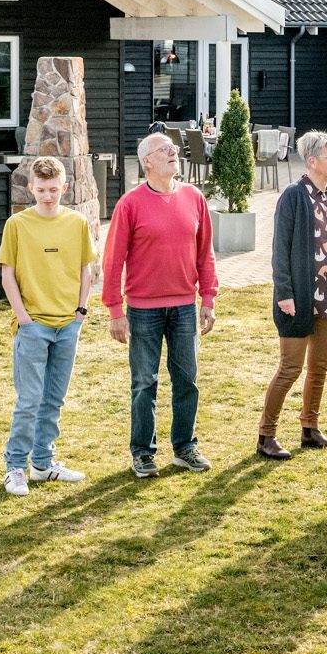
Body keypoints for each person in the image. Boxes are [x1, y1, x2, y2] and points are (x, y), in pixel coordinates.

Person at [103, 131, 218, 478]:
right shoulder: (130, 204)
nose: (173, 152)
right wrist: (115, 310)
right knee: (144, 382)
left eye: (173, 148)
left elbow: (205, 253)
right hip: (143, 310)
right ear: (147, 162)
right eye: (163, 149)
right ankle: (142, 452)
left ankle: (185, 447)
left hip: (184, 306)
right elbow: (113, 260)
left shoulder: (194, 197)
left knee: (187, 379)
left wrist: (208, 298)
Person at [0, 157, 99, 494]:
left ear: (65, 188)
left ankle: (42, 463)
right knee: (29, 400)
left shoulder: (77, 222)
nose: (47, 195)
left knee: (54, 399)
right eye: (41, 190)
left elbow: (86, 268)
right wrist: (23, 317)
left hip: (68, 324)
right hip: (33, 325)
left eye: (54, 189)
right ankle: (15, 467)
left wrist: (81, 311)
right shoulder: (17, 224)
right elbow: (7, 274)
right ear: (31, 188)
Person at [259, 131, 327, 460]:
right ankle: (266, 435)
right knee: (290, 368)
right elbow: (279, 250)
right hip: (297, 300)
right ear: (312, 161)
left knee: (319, 368)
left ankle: (310, 429)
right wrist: (284, 293)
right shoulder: (293, 196)